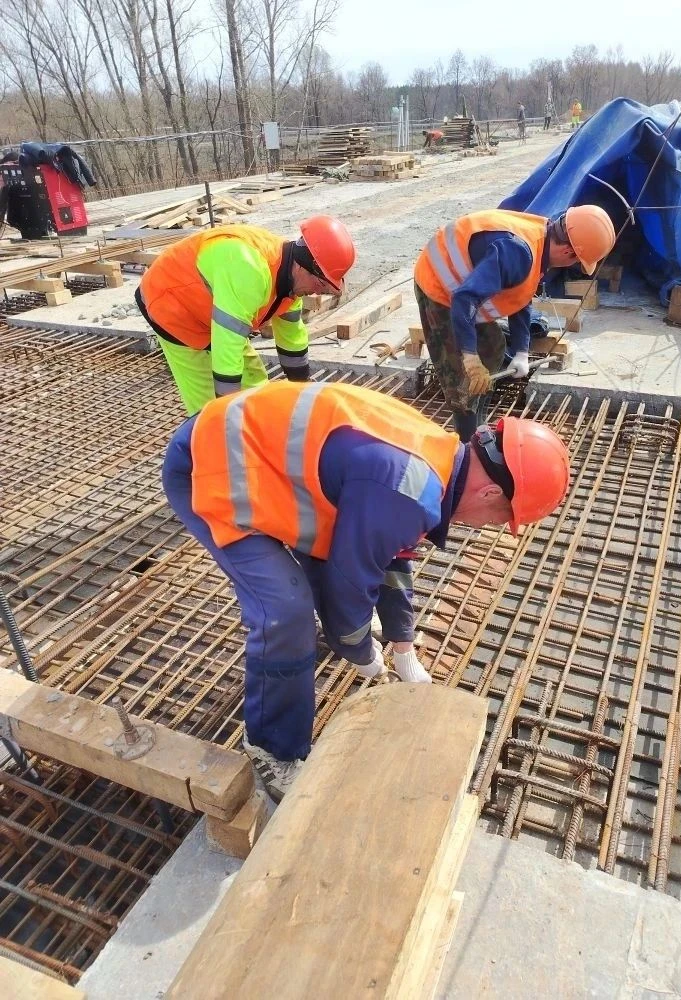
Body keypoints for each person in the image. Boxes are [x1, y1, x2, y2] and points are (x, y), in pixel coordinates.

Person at [162, 380, 570, 799]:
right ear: (490, 492)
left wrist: (403, 644)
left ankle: (301, 673)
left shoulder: (437, 459)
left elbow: (391, 552)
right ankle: (272, 748)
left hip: (260, 463)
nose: (487, 527)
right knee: (286, 610)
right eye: (500, 519)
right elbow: (348, 582)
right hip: (209, 466)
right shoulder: (405, 487)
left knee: (327, 581)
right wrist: (359, 650)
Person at [413, 205, 616, 441]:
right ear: (568, 252)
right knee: (462, 376)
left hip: (463, 288)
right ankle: (467, 442)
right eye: (576, 262)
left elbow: (521, 293)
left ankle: (479, 420)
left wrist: (521, 351)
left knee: (493, 347)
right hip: (438, 285)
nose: (571, 266)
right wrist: (469, 357)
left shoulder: (541, 238)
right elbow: (464, 299)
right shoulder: (518, 252)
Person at [135, 216, 356, 415]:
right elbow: (227, 351)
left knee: (256, 388)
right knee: (209, 411)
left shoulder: (290, 281)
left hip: (213, 312)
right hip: (172, 307)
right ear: (304, 267)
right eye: (320, 284)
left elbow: (292, 340)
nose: (317, 292)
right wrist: (225, 412)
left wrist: (303, 390)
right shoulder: (250, 271)